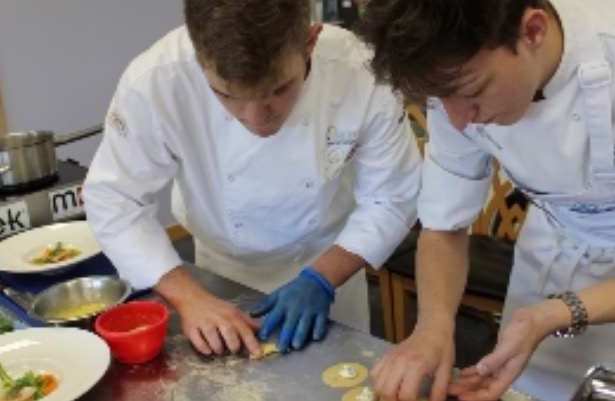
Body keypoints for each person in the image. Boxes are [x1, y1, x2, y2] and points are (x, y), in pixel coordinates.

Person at [354, 0, 615, 400]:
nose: (458, 120)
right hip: (547, 254)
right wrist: (432, 328)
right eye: (438, 99)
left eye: (472, 92)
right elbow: (443, 224)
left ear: (533, 31)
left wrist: (556, 312)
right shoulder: (454, 77)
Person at [82, 0, 421, 358]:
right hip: (221, 277)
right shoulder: (157, 81)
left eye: (279, 89)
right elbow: (115, 200)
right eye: (227, 95)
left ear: (310, 41)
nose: (258, 118)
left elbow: (392, 197)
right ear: (198, 58)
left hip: (333, 267)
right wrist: (189, 297)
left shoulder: (362, 72)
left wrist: (322, 278)